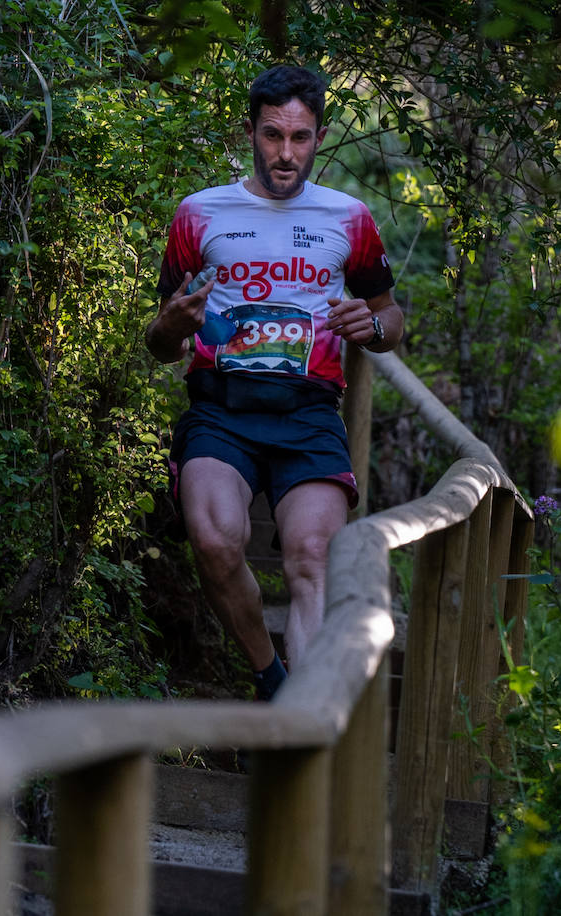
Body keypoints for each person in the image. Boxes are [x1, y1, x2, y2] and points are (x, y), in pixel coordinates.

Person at [145, 64, 404, 701]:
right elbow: (160, 342)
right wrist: (170, 328)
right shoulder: (198, 214)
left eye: (300, 137)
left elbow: (391, 317)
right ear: (250, 132)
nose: (285, 153)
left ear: (319, 137)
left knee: (313, 556)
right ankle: (271, 678)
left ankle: (304, 716)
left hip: (309, 414)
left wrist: (372, 325)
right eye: (272, 135)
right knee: (214, 540)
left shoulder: (349, 217)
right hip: (220, 411)